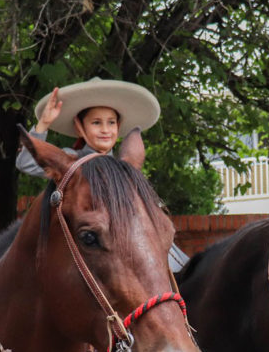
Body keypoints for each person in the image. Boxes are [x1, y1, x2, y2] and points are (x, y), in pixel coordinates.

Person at [18, 77, 189, 271]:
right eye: (96, 123)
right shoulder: (73, 162)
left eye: (111, 122)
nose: (105, 130)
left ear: (119, 125)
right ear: (79, 127)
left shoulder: (124, 167)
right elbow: (25, 163)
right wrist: (44, 124)